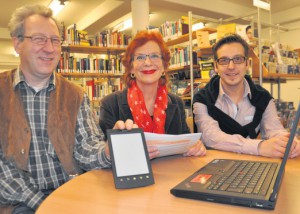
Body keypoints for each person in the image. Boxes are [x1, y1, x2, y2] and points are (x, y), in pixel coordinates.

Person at [0, 5, 132, 214]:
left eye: (54, 40)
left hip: (73, 196)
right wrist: (44, 204)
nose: (50, 48)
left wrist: (108, 151)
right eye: (39, 39)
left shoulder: (75, 94)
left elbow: (86, 147)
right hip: (19, 205)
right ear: (17, 43)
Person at [99, 30, 206, 158]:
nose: (148, 63)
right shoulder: (111, 104)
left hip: (171, 174)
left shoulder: (176, 103)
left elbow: (185, 143)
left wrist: (194, 147)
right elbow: (105, 156)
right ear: (131, 67)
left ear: (164, 65)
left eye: (154, 56)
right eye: (140, 57)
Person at [193, 34, 299, 159]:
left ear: (247, 63)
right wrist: (259, 147)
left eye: (238, 59)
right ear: (216, 66)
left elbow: (274, 130)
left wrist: (289, 142)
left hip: (252, 165)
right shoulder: (202, 99)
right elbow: (211, 137)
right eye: (224, 60)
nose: (231, 67)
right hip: (214, 166)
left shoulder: (263, 98)